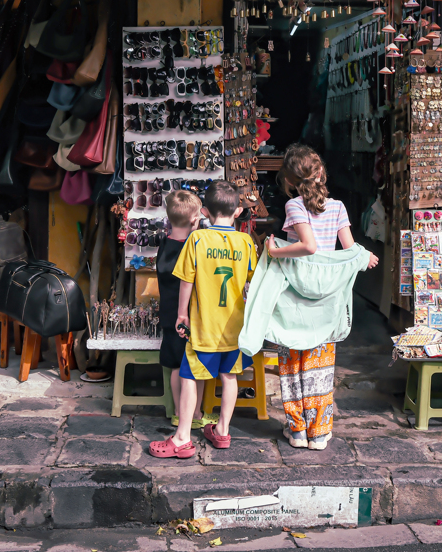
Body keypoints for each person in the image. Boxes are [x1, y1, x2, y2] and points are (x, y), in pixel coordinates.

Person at [265, 144, 379, 450]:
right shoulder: (339, 207)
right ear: (321, 173)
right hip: (326, 301)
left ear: (288, 181)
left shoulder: (294, 207)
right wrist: (364, 256)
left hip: (293, 300)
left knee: (291, 367)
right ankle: (318, 432)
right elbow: (348, 250)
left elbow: (309, 246)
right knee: (320, 368)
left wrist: (275, 249)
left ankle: (298, 431)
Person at [149, 180, 257, 459]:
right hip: (234, 326)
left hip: (203, 326)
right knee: (230, 376)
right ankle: (222, 431)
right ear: (237, 212)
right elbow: (252, 284)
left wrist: (182, 314)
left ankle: (182, 438)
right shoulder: (246, 242)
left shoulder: (198, 240)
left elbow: (186, 281)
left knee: (188, 376)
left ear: (206, 212)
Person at [156, 189, 216, 429]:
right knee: (195, 368)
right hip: (191, 317)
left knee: (174, 365)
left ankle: (179, 413)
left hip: (169, 315)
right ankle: (196, 414)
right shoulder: (195, 246)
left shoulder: (164, 244)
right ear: (195, 219)